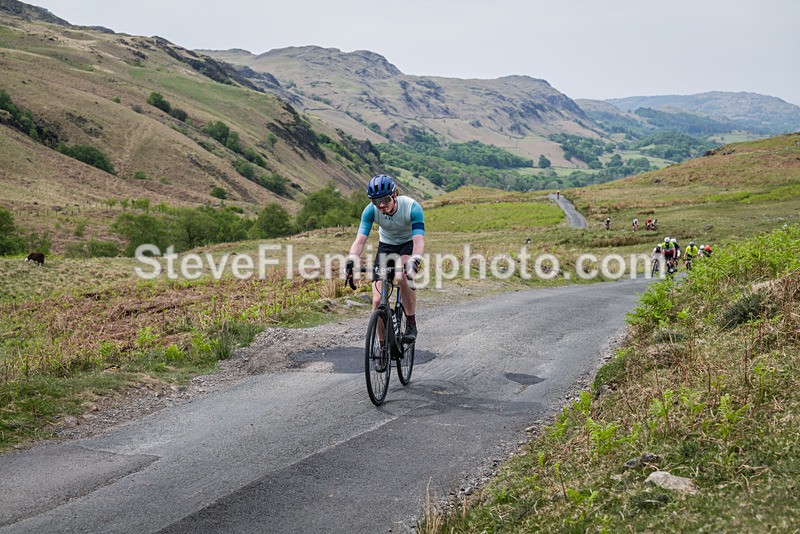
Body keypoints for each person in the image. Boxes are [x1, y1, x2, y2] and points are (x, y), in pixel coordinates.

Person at [346, 174, 425, 342]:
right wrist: (351, 261)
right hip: (386, 246)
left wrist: (414, 260)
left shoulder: (412, 207)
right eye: (376, 201)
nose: (381, 205)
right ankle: (382, 347)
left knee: (402, 276)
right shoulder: (370, 211)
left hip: (407, 244)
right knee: (376, 302)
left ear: (394, 195)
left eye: (385, 199)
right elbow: (359, 241)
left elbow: (418, 241)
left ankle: (411, 323)